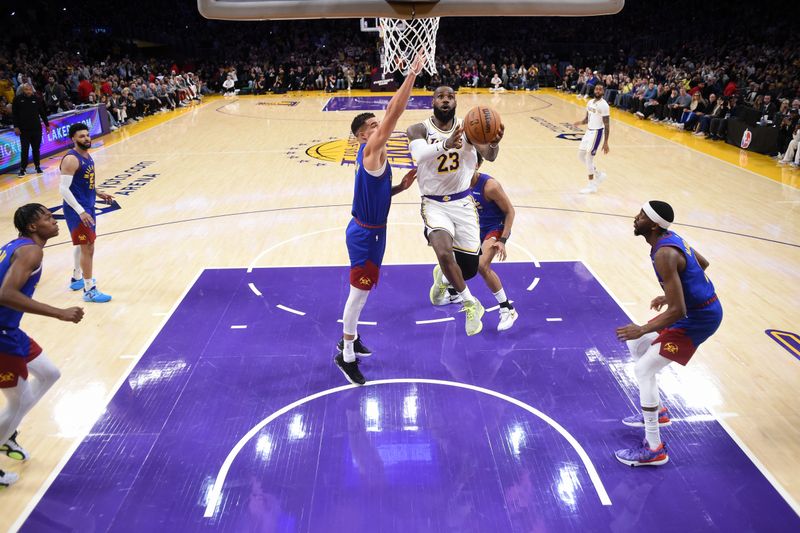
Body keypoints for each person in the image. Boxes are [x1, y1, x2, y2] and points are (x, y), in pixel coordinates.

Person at [335, 54, 424, 386]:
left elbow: (376, 195)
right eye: (372, 127)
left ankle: (352, 335)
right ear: (362, 138)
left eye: (377, 125)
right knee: (357, 295)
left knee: (365, 293)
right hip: (363, 234)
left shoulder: (374, 157)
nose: (379, 127)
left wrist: (400, 186)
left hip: (375, 231)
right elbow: (394, 111)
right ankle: (345, 354)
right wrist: (412, 73)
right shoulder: (371, 150)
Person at [614, 201, 723, 467]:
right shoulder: (670, 239)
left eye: (641, 216)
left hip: (698, 319)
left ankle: (654, 448)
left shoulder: (664, 254)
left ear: (653, 225)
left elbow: (677, 311)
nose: (635, 218)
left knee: (643, 370)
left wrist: (644, 325)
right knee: (638, 345)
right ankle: (658, 411)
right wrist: (671, 293)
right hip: (695, 309)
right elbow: (702, 264)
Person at [407, 86, 503, 337]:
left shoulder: (469, 127)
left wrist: (493, 143)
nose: (446, 100)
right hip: (434, 203)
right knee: (443, 250)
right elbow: (418, 154)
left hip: (462, 203)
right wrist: (445, 144)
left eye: (450, 96)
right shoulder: (419, 129)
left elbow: (489, 155)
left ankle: (443, 278)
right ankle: (470, 303)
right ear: (433, 101)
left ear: (455, 101)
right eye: (441, 96)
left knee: (469, 269)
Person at [0, 204, 84, 487]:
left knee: (49, 373)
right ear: (33, 227)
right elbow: (6, 294)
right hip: (1, 335)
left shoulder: (16, 246)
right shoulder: (31, 251)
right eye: (47, 217)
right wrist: (59, 312)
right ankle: (4, 433)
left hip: (10, 329)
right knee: (18, 400)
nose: (54, 219)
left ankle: (6, 431)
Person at [59, 123, 114, 303]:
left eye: (87, 135)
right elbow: (64, 190)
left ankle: (77, 278)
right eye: (81, 136)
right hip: (78, 209)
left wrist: (97, 192)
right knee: (88, 247)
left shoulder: (86, 155)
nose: (86, 138)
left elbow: (83, 180)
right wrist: (81, 211)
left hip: (87, 205)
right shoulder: (71, 159)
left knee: (82, 245)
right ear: (73, 139)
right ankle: (89, 290)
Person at [470, 154, 518, 331]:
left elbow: (510, 212)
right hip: (475, 227)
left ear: (477, 164)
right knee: (450, 254)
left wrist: (503, 240)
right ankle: (449, 287)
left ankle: (507, 308)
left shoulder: (490, 186)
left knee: (482, 266)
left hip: (495, 227)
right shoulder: (457, 181)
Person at [573, 82, 610, 194]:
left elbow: (607, 124)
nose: (598, 91)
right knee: (580, 156)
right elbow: (587, 119)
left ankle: (591, 185)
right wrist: (580, 122)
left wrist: (606, 142)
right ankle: (598, 174)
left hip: (597, 133)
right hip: (588, 132)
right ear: (594, 90)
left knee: (589, 157)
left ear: (603, 92)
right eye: (596, 89)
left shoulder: (604, 105)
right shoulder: (589, 102)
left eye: (600, 90)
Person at [11, 83, 50, 177]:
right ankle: (23, 169)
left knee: (36, 149)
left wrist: (47, 125)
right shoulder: (17, 99)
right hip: (24, 130)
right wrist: (16, 127)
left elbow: (42, 113)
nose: (28, 91)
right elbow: (14, 114)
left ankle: (37, 166)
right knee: (25, 149)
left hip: (36, 129)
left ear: (32, 90)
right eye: (26, 89)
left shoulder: (37, 99)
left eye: (29, 89)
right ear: (22, 90)